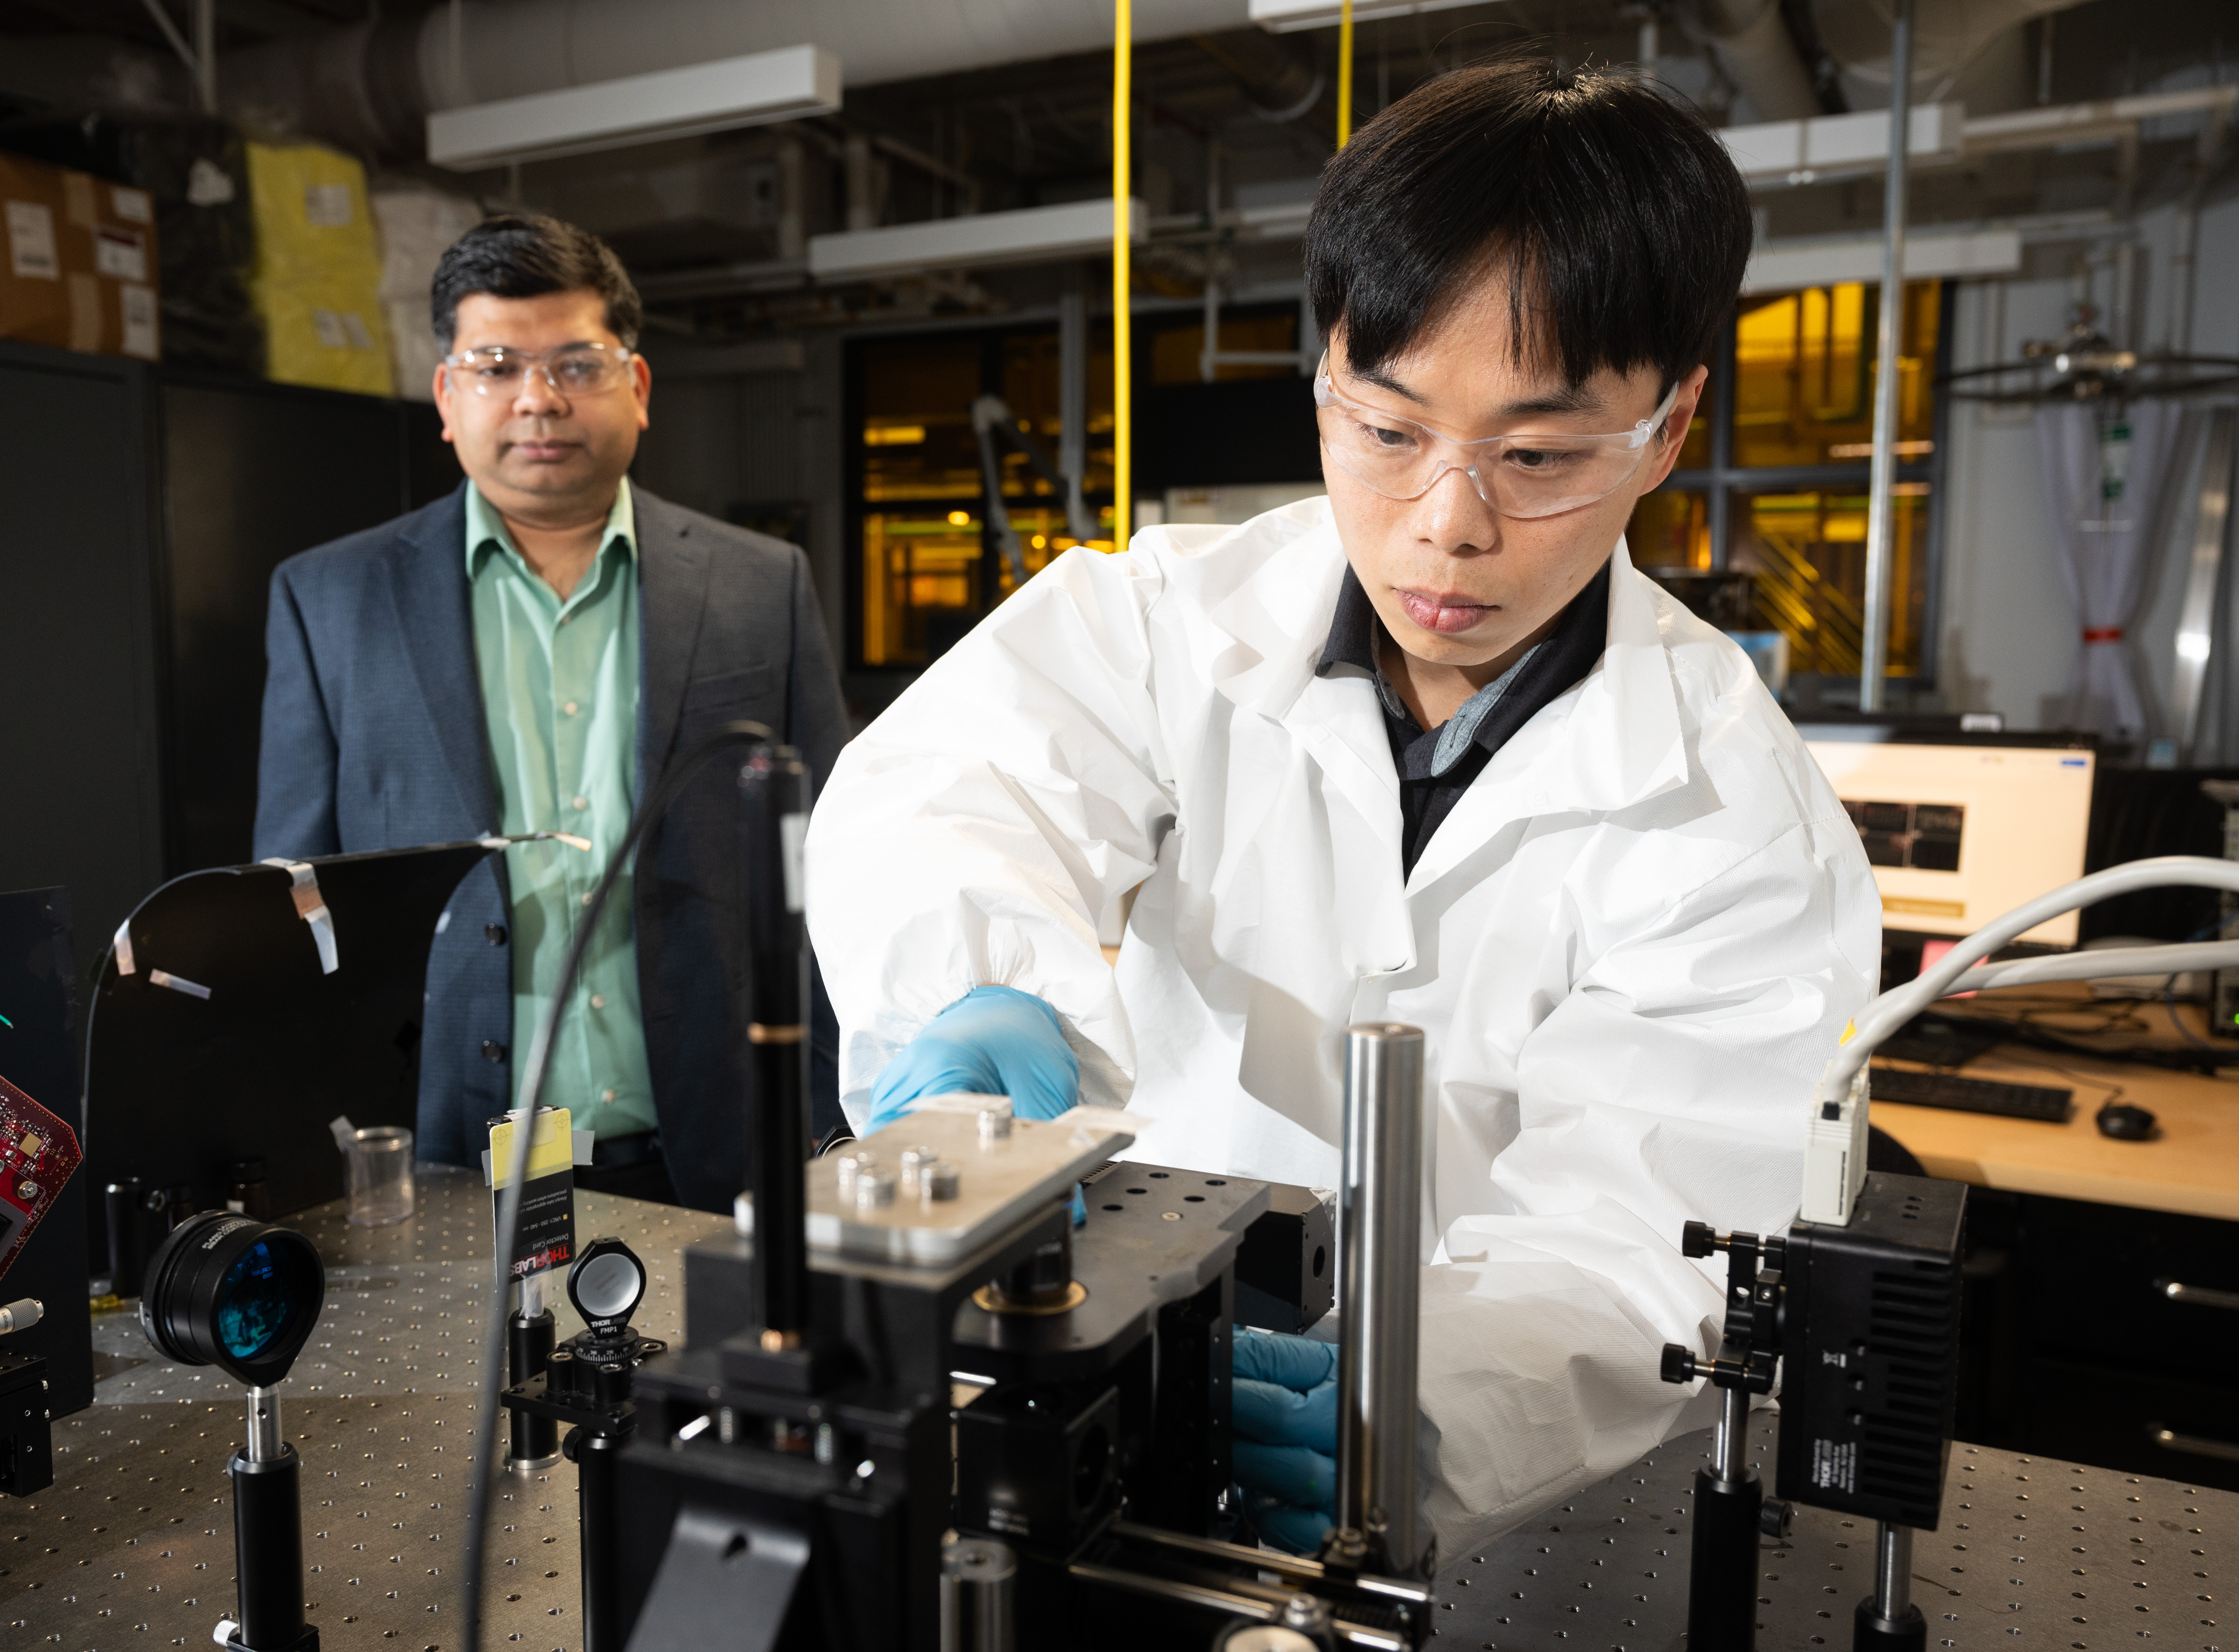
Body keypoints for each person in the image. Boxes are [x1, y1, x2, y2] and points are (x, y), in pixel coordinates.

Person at [805, 63, 1876, 1563]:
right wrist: (975, 975)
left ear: (1669, 425)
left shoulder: (1737, 812)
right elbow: (944, 792)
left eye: (1537, 454)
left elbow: (1653, 1231)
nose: (1446, 520)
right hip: (1124, 1378)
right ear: (1322, 371)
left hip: (1509, 1518)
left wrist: (1420, 1408)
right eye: (1383, 430)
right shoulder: (1164, 615)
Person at [255, 213, 847, 1213]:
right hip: (444, 1161)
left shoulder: (760, 586)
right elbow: (293, 902)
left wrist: (835, 1121)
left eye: (577, 362)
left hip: (713, 1152)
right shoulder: (333, 599)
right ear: (447, 396)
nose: (539, 398)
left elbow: (835, 868)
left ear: (638, 386)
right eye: (496, 365)